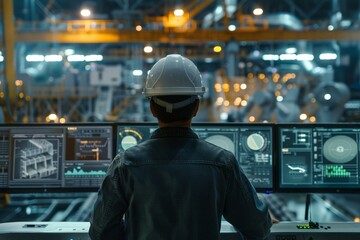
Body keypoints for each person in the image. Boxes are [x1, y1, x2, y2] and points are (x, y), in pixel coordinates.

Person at [89, 54, 273, 240]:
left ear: (153, 108)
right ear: (196, 107)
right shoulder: (222, 163)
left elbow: (101, 232)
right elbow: (258, 228)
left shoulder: (125, 164)